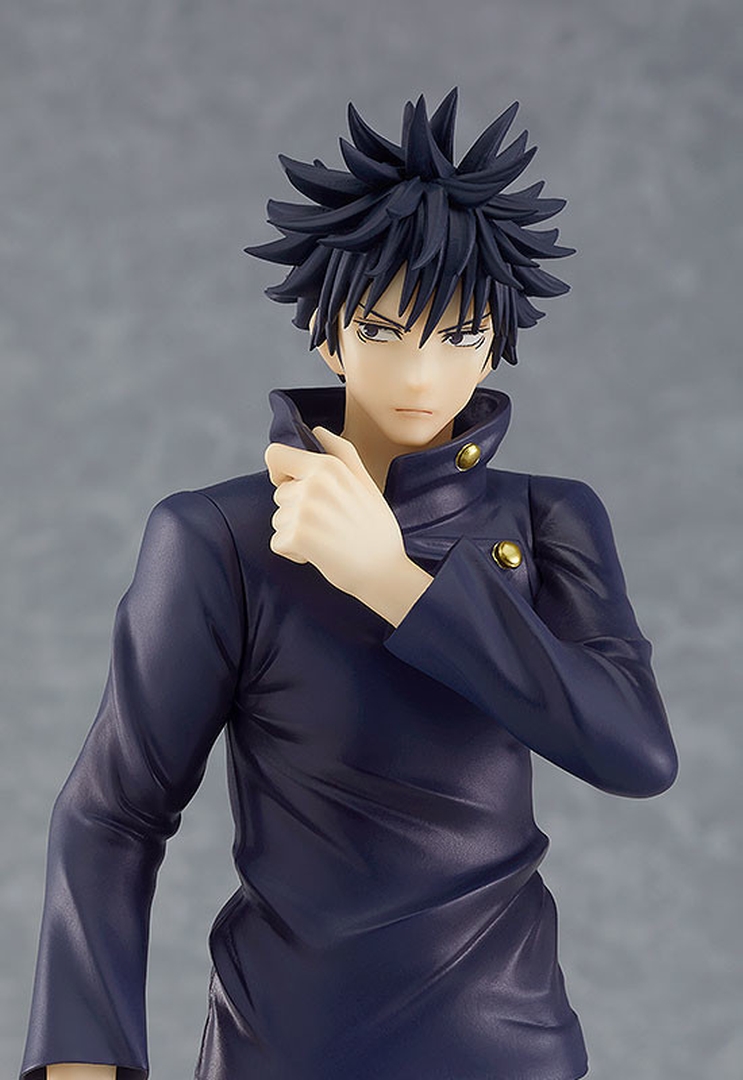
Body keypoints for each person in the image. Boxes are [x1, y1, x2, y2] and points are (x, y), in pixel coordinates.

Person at [20, 89, 678, 1080]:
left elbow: (634, 753)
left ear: (497, 341)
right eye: (383, 330)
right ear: (327, 335)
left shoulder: (548, 519)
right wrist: (83, 1062)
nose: (419, 374)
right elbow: (113, 811)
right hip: (287, 1045)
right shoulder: (220, 537)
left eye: (458, 335)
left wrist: (396, 583)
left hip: (507, 1044)